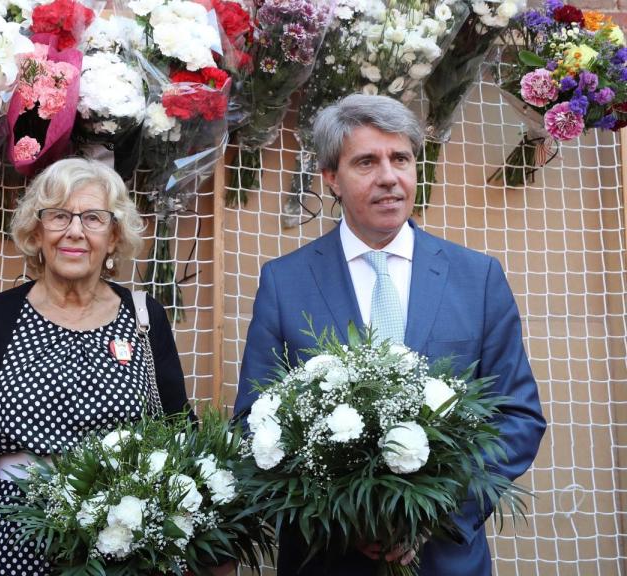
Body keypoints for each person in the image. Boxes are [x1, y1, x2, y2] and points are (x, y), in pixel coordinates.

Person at [234, 94, 547, 575]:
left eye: (400, 158)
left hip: (444, 557)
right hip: (328, 558)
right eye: (366, 162)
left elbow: (518, 416)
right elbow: (252, 426)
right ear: (331, 180)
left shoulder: (477, 277)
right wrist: (347, 517)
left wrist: (430, 514)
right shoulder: (284, 282)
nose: (388, 176)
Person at [0, 158, 192, 575]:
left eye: (92, 218)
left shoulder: (146, 318)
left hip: (122, 546)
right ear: (37, 233)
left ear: (114, 237)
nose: (74, 231)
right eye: (58, 216)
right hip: (13, 547)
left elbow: (182, 437)